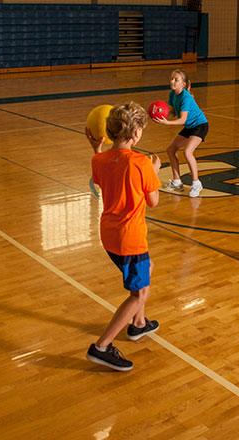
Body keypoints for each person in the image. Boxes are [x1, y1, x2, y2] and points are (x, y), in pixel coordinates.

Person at [85, 102, 161, 371]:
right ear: (137, 133)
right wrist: (154, 170)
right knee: (138, 295)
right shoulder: (141, 163)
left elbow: (103, 174)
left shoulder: (99, 159)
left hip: (110, 235)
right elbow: (153, 201)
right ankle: (102, 347)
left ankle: (138, 325)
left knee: (147, 269)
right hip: (131, 238)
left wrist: (97, 147)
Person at [154, 68, 208, 198]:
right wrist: (162, 114)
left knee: (187, 152)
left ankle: (196, 183)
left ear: (183, 84)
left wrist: (167, 123)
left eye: (176, 79)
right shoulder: (172, 94)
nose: (172, 81)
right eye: (172, 78)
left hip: (200, 126)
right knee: (170, 149)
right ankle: (177, 181)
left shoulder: (186, 97)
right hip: (190, 126)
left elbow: (182, 119)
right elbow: (174, 112)